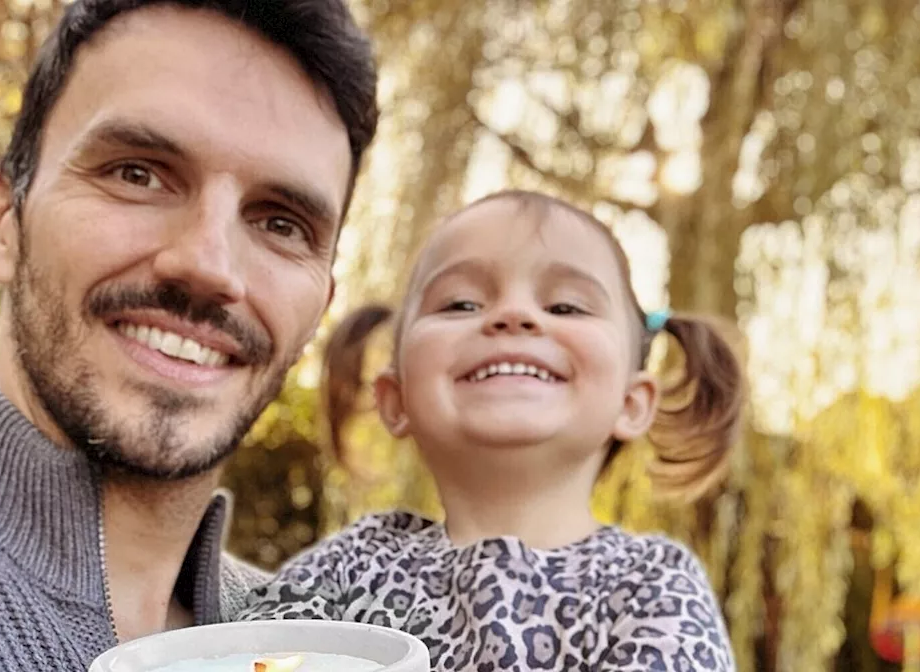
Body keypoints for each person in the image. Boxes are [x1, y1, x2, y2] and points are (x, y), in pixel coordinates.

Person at [0, 0, 378, 669]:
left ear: (320, 305)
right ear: (3, 219)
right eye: (137, 173)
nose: (208, 265)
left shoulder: (315, 646)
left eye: (282, 224)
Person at [239, 190, 742, 671]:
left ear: (632, 404)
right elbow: (241, 660)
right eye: (461, 304)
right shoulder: (349, 567)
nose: (513, 315)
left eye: (565, 306)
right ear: (396, 400)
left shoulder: (651, 583)